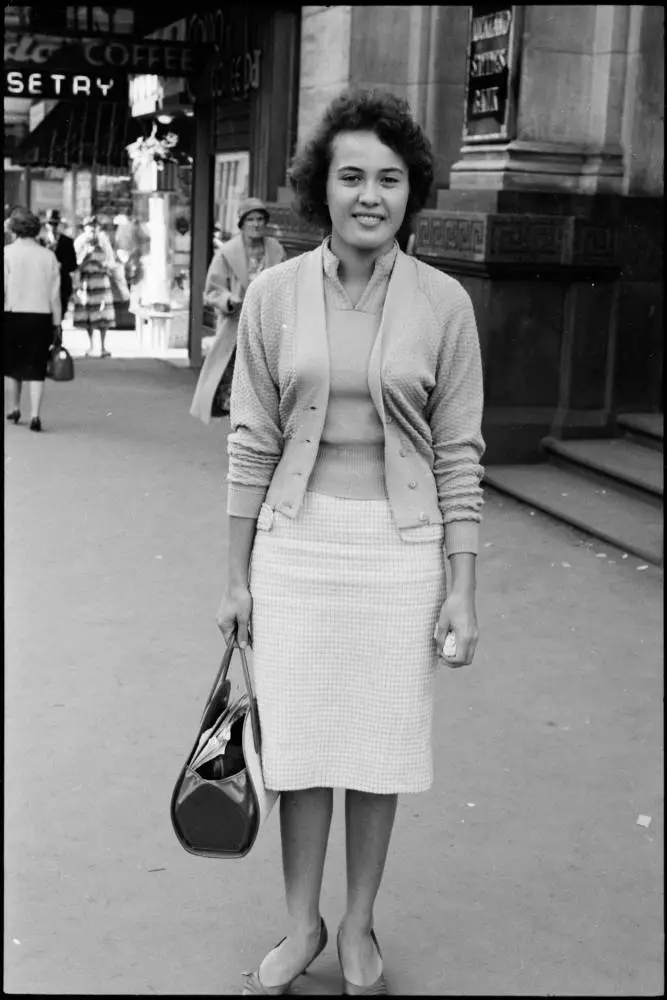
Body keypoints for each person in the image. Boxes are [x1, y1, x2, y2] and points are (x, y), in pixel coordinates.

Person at [216, 90, 485, 995]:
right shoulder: (271, 294)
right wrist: (235, 575)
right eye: (351, 176)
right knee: (297, 751)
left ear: (412, 191)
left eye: (390, 178)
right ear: (319, 188)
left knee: (376, 748)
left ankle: (360, 923)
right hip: (294, 549)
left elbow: (458, 454)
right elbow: (251, 439)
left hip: (399, 551)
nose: (370, 194)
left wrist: (461, 585)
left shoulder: (444, 304)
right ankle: (302, 925)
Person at [189, 198, 286, 423]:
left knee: (266, 376)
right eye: (250, 219)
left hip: (267, 322)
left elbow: (286, 281)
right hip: (237, 323)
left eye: (260, 219)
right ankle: (239, 421)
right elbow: (213, 290)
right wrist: (228, 299)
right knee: (235, 373)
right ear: (241, 224)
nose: (256, 224)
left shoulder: (275, 249)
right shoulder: (227, 252)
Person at [4, 207, 62, 431]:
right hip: (41, 317)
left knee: (12, 364)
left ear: (14, 230)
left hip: (13, 314)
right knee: (36, 365)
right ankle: (35, 415)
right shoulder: (48, 256)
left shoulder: (7, 253)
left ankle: (14, 408)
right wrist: (57, 323)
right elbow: (54, 295)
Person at [73, 215, 116, 358]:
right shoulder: (80, 241)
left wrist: (103, 265)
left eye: (95, 226)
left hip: (101, 282)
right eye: (90, 226)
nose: (93, 229)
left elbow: (111, 260)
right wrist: (85, 257)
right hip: (87, 282)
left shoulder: (103, 241)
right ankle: (91, 346)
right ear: (85, 228)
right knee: (88, 314)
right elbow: (74, 263)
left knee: (103, 314)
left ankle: (103, 347)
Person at [42, 209, 78, 322]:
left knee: (60, 316)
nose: (53, 226)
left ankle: (58, 335)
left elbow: (73, 265)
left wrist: (62, 265)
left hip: (62, 285)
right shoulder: (41, 241)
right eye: (50, 223)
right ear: (46, 225)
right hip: (45, 284)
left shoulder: (67, 241)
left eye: (55, 223)